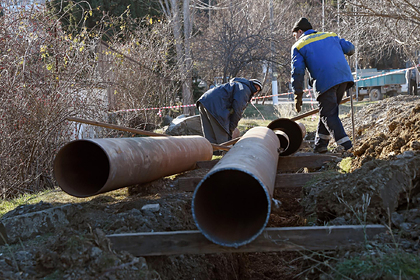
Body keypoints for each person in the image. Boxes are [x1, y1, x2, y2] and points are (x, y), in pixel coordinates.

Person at [290, 17, 355, 153]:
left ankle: (346, 146)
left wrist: (298, 94)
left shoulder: (299, 45)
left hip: (325, 81)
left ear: (300, 31)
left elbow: (298, 72)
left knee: (328, 115)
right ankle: (320, 145)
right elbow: (350, 48)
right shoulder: (330, 35)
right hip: (343, 77)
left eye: (295, 35)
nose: (295, 38)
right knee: (327, 111)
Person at [196, 77, 262, 144]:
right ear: (252, 86)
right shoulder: (245, 90)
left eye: (258, 90)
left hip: (203, 101)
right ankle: (225, 152)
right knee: (223, 134)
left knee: (209, 134)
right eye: (256, 88)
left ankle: (212, 151)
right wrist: (231, 127)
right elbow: (238, 110)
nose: (256, 91)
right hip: (215, 104)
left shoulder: (238, 84)